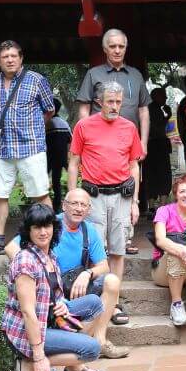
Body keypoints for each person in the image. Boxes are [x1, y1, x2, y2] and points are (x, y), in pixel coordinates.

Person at [5, 188, 130, 359]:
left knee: (111, 282)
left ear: (89, 210)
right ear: (64, 205)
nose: (78, 208)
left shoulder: (89, 230)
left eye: (83, 205)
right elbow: (11, 247)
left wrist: (87, 273)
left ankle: (99, 341)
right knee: (84, 345)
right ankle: (77, 348)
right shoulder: (48, 224)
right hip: (48, 294)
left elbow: (104, 266)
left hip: (73, 288)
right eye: (74, 203)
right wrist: (35, 270)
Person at [1, 203, 108, 371]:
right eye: (37, 227)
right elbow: (28, 312)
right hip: (29, 329)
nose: (43, 232)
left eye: (47, 226)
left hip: (48, 317)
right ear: (28, 231)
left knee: (94, 303)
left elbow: (54, 295)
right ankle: (29, 363)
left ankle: (71, 364)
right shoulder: (26, 261)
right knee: (92, 349)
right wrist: (39, 355)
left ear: (54, 227)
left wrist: (62, 305)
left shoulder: (49, 255)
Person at [69, 81, 142, 326]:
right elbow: (73, 162)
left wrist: (135, 202)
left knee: (118, 250)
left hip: (121, 195)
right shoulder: (84, 125)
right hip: (94, 196)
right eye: (110, 101)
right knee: (95, 250)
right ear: (99, 101)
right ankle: (97, 300)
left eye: (118, 102)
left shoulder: (129, 127)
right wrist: (72, 198)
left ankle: (115, 301)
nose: (114, 106)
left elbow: (134, 166)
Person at [75, 28, 150, 255]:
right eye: (113, 46)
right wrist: (86, 135)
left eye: (121, 46)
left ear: (126, 49)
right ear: (105, 49)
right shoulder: (94, 74)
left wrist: (144, 141)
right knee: (100, 192)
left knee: (128, 188)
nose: (117, 50)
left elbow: (144, 110)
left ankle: (125, 239)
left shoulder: (136, 75)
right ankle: (100, 243)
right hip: (99, 143)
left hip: (128, 141)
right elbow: (84, 107)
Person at [0, 41, 55, 259]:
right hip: (3, 148)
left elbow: (49, 110)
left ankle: (50, 238)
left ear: (21, 58)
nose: (10, 60)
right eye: (5, 57)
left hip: (31, 146)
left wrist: (33, 127)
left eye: (13, 56)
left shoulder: (36, 80)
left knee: (39, 193)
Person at [150, 174, 186, 326]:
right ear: (176, 194)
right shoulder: (164, 211)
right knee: (175, 253)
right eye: (182, 191)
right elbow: (161, 240)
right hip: (164, 272)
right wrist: (185, 253)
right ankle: (176, 305)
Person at [143, 87, 173, 213]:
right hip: (154, 145)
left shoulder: (156, 109)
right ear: (155, 97)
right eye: (163, 96)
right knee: (157, 174)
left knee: (157, 175)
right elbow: (157, 128)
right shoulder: (150, 110)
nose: (166, 98)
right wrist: (167, 116)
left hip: (157, 145)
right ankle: (158, 205)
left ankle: (158, 205)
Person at [46, 98, 72, 214]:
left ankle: (52, 207)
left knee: (44, 182)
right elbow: (70, 140)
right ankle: (62, 205)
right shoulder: (64, 123)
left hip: (49, 158)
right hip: (63, 157)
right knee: (70, 179)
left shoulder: (46, 123)